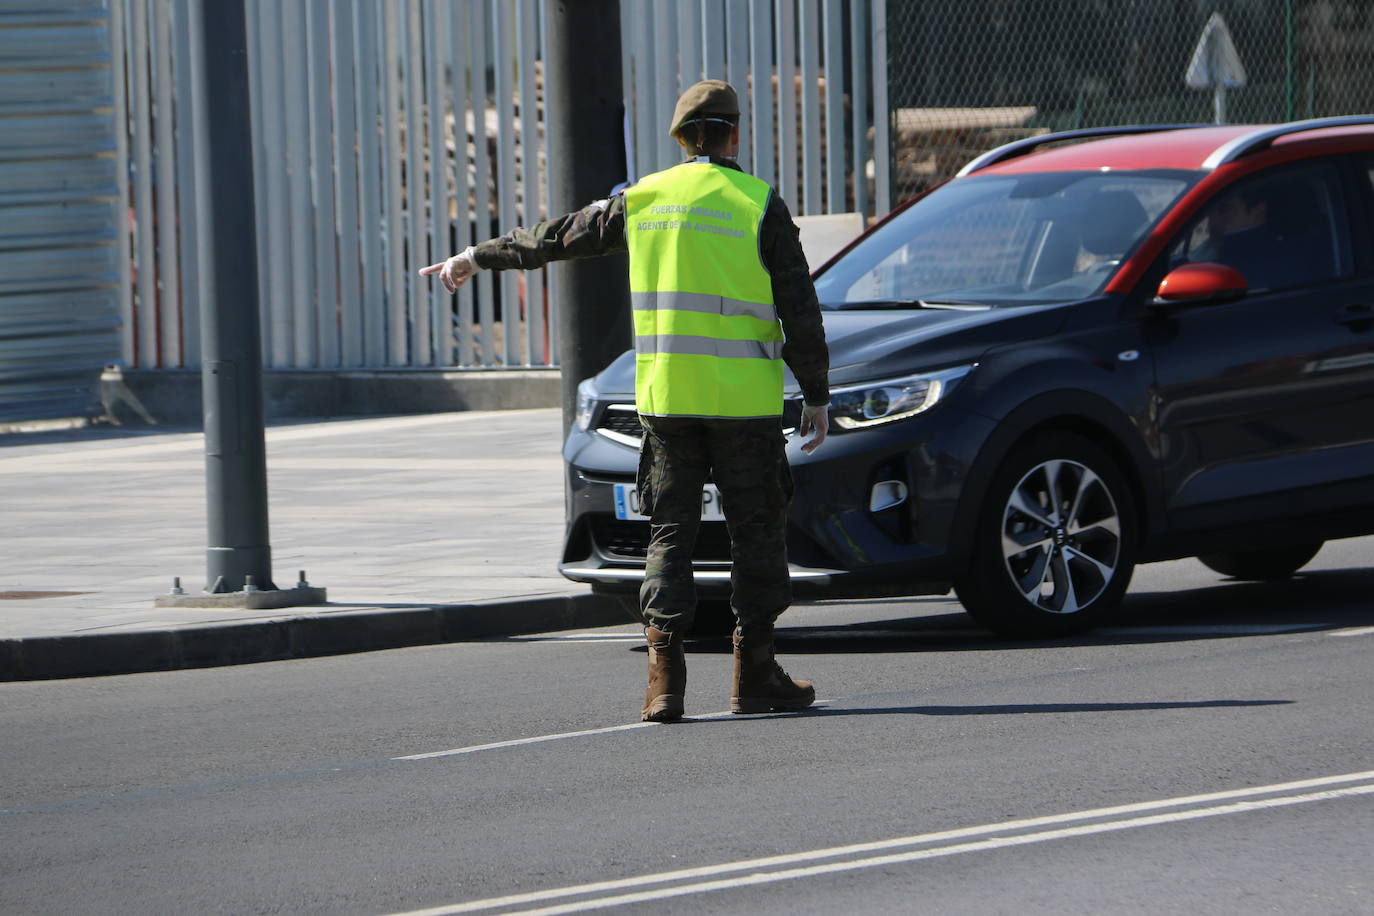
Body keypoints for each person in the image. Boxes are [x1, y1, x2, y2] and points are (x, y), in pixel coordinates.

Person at [421, 79, 830, 723]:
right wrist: (816, 394)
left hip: (667, 401)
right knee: (757, 536)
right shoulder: (758, 204)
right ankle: (755, 674)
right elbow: (799, 307)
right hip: (745, 407)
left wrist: (476, 255)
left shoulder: (643, 201)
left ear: (680, 138)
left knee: (670, 533)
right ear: (733, 133)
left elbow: (557, 238)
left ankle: (663, 682)